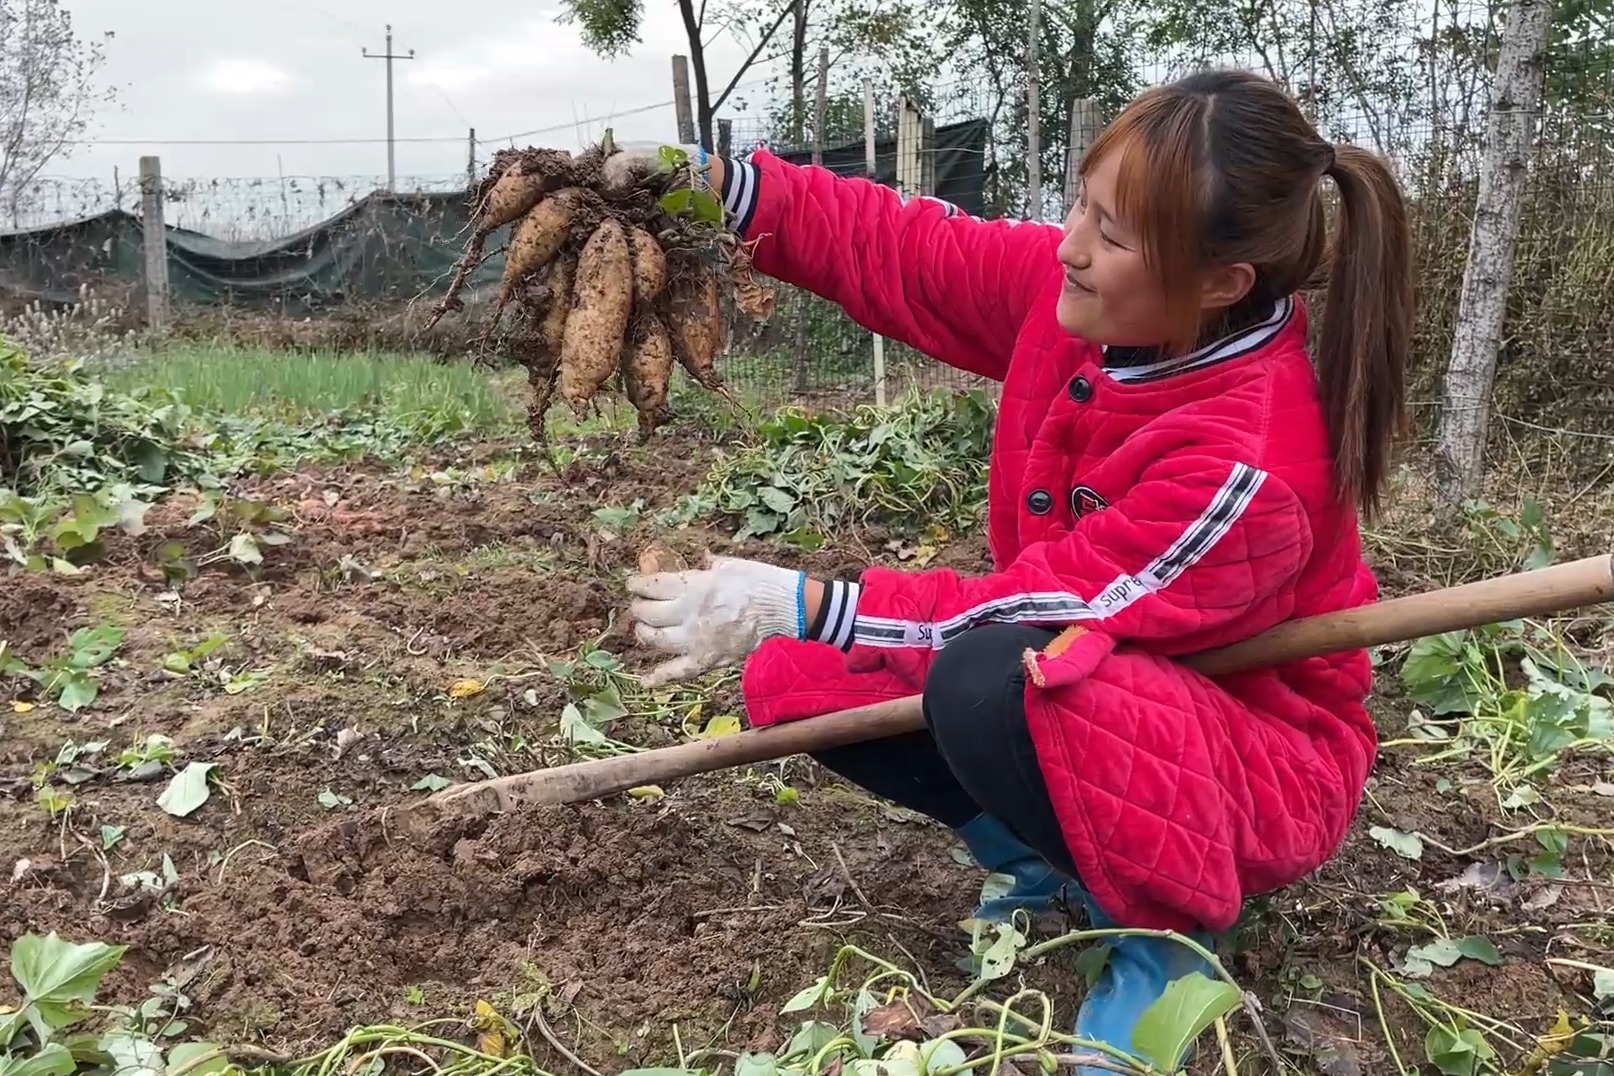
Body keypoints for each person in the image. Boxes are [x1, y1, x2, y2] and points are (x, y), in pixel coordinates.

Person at [620, 68, 1411, 1071]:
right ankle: (1038, 856)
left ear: (1223, 283)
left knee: (993, 674)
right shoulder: (1086, 296)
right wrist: (730, 190)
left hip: (1250, 754)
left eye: (1115, 235)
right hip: (1097, 678)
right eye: (1083, 200)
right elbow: (905, 249)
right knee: (798, 677)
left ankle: (1166, 936)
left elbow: (1043, 606)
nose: (1072, 244)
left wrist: (803, 596)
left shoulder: (1250, 459)